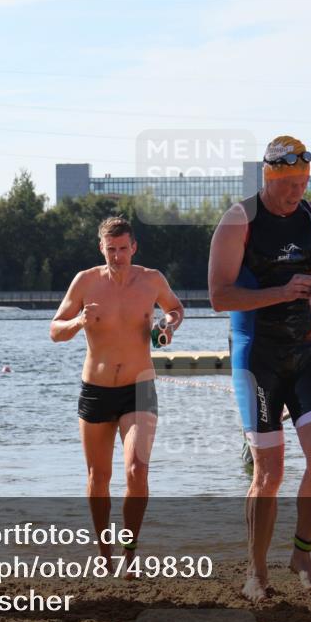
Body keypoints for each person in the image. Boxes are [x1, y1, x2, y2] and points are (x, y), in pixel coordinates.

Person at [208, 135, 311, 601]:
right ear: (268, 178)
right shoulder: (239, 222)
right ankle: (255, 572)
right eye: (288, 183)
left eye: (303, 182)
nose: (297, 191)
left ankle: (302, 551)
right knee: (268, 474)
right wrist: (287, 290)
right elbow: (219, 296)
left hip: (307, 352)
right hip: (258, 359)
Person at [50, 216, 184, 570]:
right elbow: (54, 330)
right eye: (111, 249)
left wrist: (167, 325)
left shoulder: (151, 280)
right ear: (101, 249)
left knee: (137, 470)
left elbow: (175, 308)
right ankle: (104, 553)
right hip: (96, 390)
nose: (118, 256)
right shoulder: (86, 282)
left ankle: (129, 551)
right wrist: (78, 323)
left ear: (133, 247)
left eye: (123, 249)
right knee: (98, 478)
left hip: (139, 388)